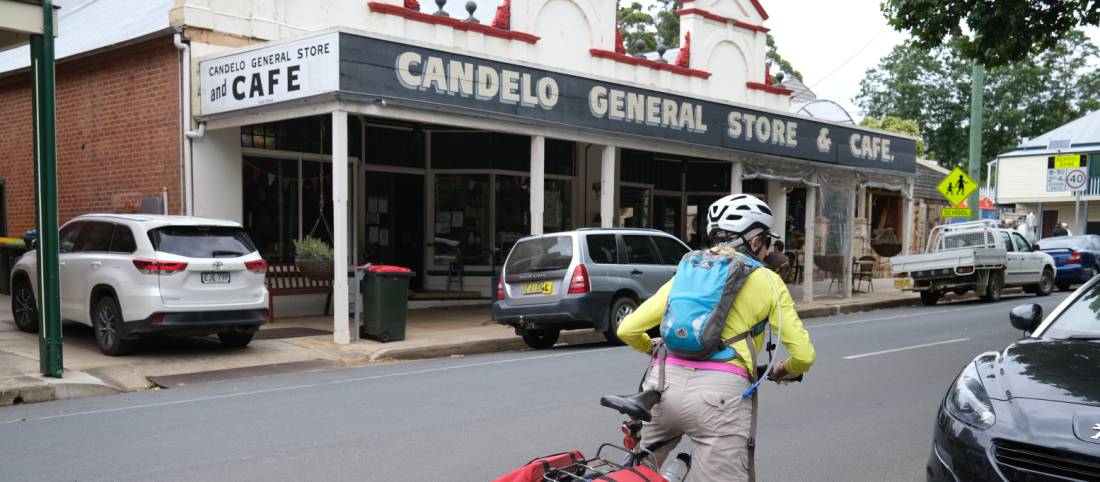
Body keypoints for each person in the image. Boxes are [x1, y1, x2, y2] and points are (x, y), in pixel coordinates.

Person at [617, 194, 817, 482]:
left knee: (638, 475)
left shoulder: (687, 272)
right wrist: (784, 370)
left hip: (662, 387)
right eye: (767, 241)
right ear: (756, 241)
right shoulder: (768, 280)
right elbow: (804, 356)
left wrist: (651, 348)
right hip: (719, 397)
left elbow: (628, 329)